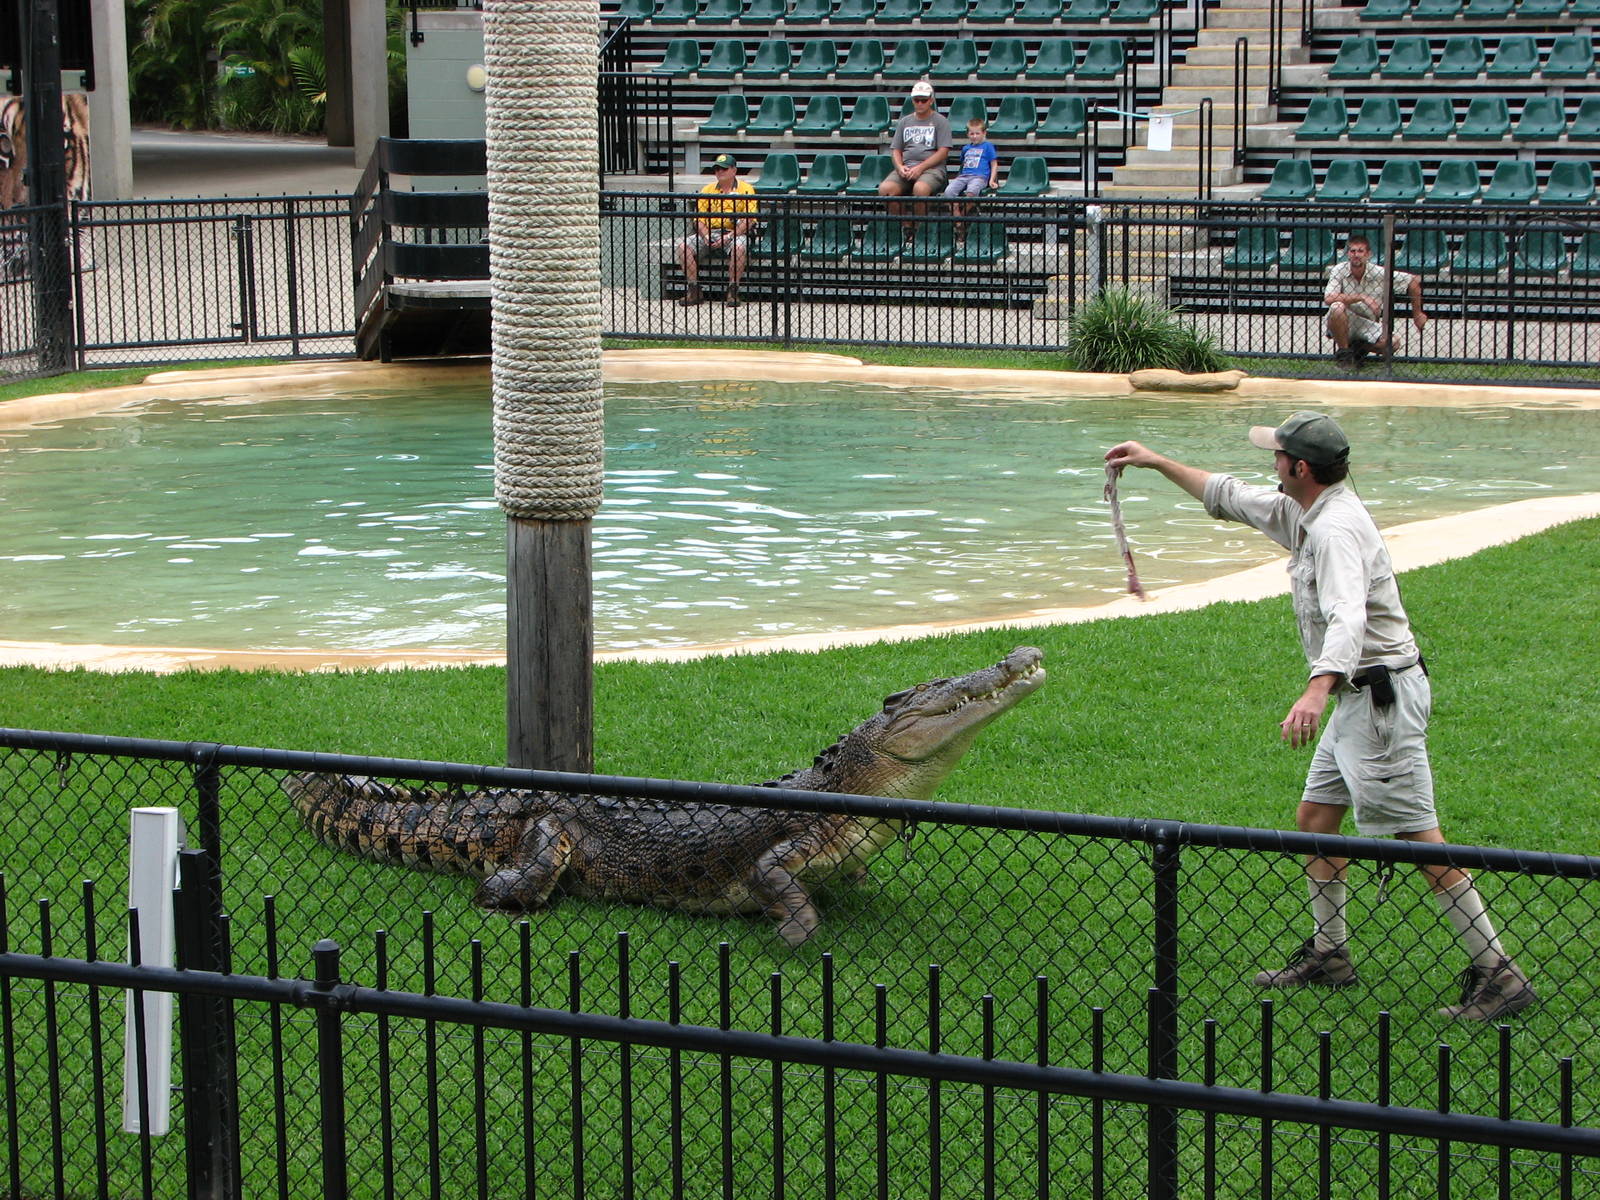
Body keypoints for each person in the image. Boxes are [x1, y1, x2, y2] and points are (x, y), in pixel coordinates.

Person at [1103, 413, 1535, 1023]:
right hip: (1358, 700)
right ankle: (1331, 956)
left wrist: (1314, 691)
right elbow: (1230, 495)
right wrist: (1156, 461)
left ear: (1299, 468)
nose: (1270, 463)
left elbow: (1348, 619)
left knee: (1420, 838)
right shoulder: (1306, 511)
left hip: (1377, 702)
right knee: (1316, 817)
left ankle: (1499, 972)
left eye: (1277, 456)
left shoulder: (1333, 531)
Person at [1324, 234, 1429, 370]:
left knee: (1393, 343)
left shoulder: (1378, 272)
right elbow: (1329, 298)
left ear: (1368, 254)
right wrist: (1361, 297)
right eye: (1353, 251)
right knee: (1336, 307)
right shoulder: (1339, 270)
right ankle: (1345, 356)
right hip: (1345, 319)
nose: (1356, 255)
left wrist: (1417, 314)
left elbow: (1413, 280)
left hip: (1367, 322)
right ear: (1348, 254)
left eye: (1360, 251)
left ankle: (1357, 349)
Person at [679, 153, 757, 309]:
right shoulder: (707, 189)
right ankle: (694, 290)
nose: (719, 172)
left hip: (735, 233)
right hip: (711, 232)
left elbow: (749, 220)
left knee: (739, 248)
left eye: (724, 168)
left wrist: (728, 237)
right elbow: (699, 219)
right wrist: (706, 236)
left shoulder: (746, 189)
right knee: (683, 247)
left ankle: (733, 290)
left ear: (734, 170)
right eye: (716, 169)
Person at [878, 80, 952, 239]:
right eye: (917, 100)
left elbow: (943, 152)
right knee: (885, 190)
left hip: (932, 169)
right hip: (907, 167)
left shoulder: (941, 121)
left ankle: (919, 228)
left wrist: (920, 168)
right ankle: (906, 226)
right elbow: (896, 150)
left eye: (923, 100)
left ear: (931, 100)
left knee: (920, 190)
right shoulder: (904, 121)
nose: (920, 103)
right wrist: (899, 167)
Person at [942, 117, 999, 240]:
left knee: (971, 192)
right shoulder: (966, 148)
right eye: (971, 133)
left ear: (984, 133)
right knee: (949, 192)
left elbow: (994, 164)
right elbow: (963, 164)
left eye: (977, 133)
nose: (974, 136)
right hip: (964, 176)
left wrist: (991, 180)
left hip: (979, 177)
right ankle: (958, 219)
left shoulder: (988, 146)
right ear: (968, 134)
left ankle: (961, 218)